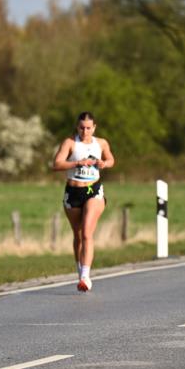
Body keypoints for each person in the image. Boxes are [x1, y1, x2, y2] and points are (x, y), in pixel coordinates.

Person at [52, 112, 115, 292]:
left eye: (88, 128)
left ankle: (86, 277)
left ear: (94, 128)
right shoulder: (70, 143)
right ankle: (80, 271)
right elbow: (56, 164)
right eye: (81, 127)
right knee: (78, 235)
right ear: (77, 127)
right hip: (73, 192)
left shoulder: (101, 143)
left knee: (87, 232)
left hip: (93, 191)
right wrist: (77, 163)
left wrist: (104, 164)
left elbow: (111, 159)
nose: (85, 131)